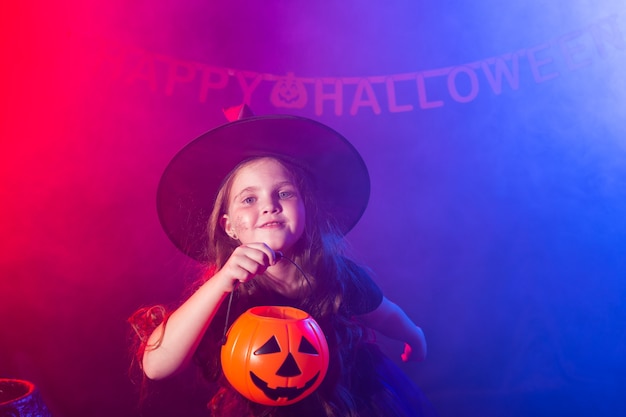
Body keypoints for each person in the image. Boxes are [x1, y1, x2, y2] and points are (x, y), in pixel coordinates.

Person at [130, 105, 434, 417]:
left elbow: (383, 316)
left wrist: (414, 337)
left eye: (285, 194)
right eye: (249, 199)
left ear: (306, 210)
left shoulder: (338, 275)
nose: (270, 206)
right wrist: (220, 283)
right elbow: (156, 367)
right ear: (229, 226)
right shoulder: (224, 293)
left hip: (348, 404)